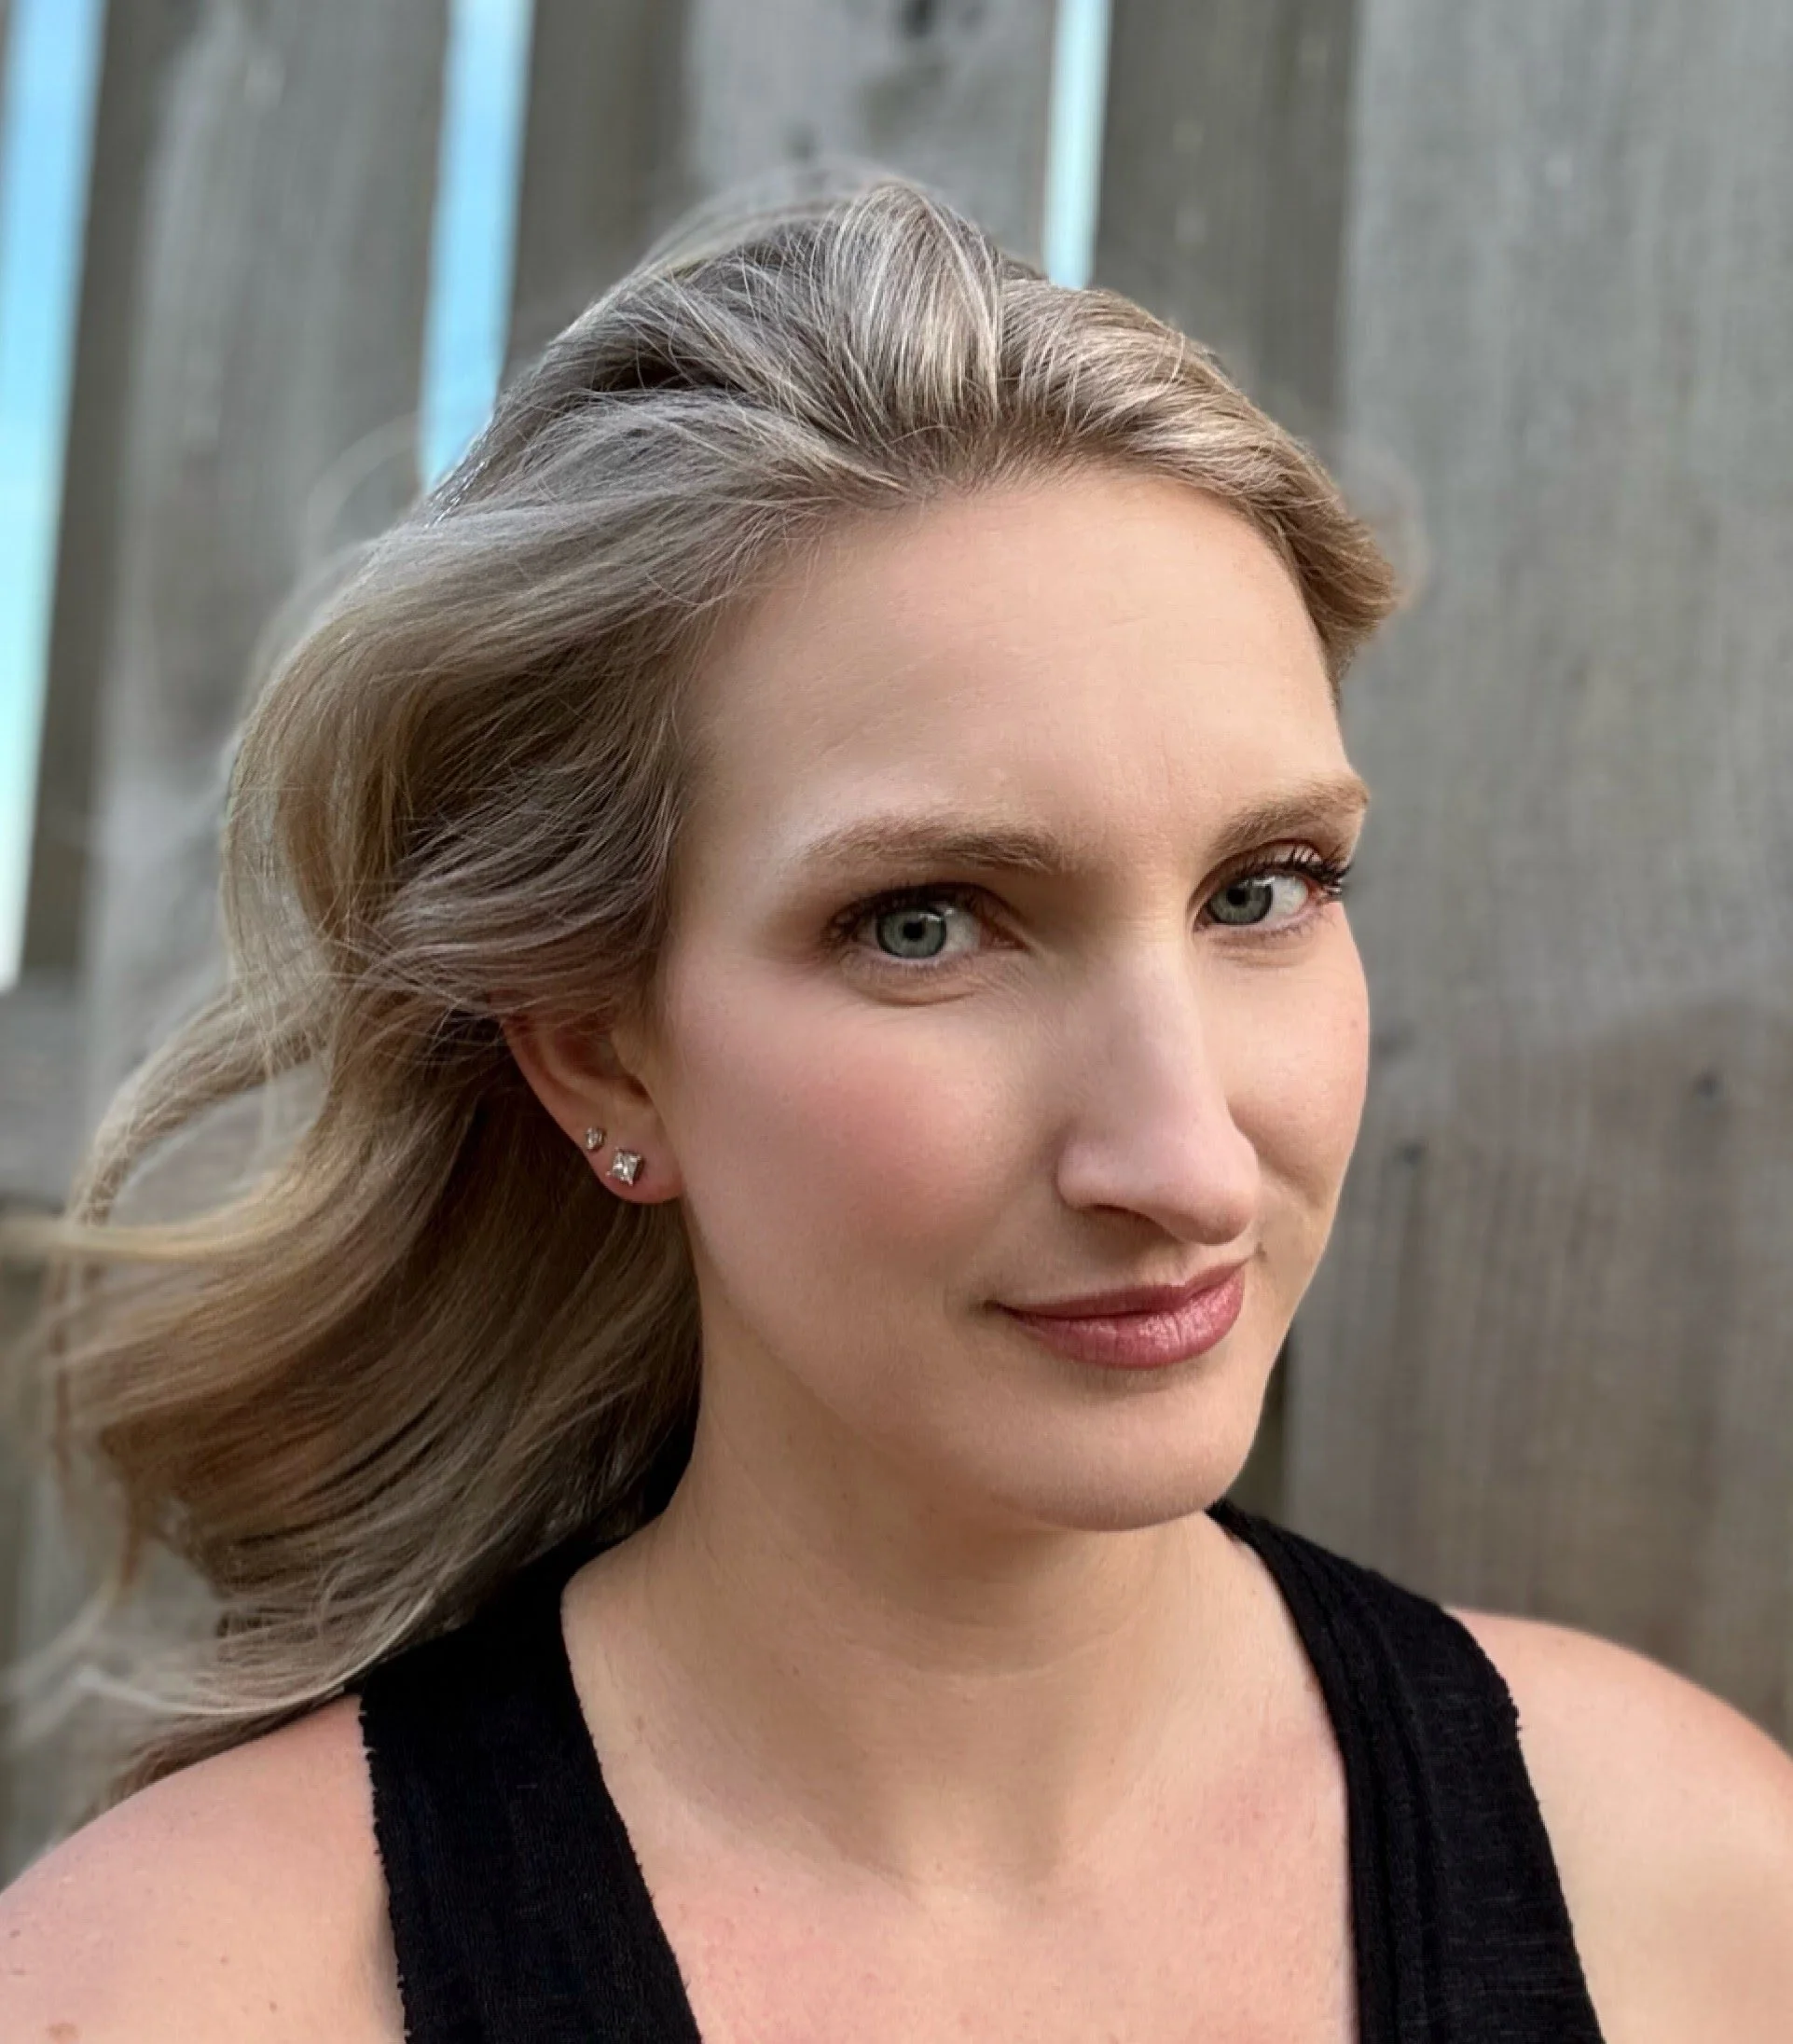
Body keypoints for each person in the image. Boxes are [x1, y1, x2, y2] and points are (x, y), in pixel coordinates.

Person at [2, 170, 1790, 2044]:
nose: (1182, 1162)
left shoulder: (1687, 1901)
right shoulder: (174, 1991)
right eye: (925, 925)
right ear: (598, 1050)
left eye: (1261, 889)